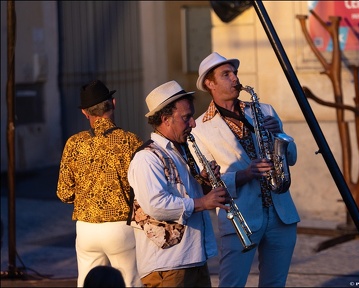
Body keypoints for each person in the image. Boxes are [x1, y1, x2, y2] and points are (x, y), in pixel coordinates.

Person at [191, 52, 300, 287]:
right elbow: (209, 181)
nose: (234, 78)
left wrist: (279, 134)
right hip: (241, 217)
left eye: (234, 73)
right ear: (210, 83)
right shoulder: (199, 129)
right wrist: (245, 174)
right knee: (232, 284)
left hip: (280, 213)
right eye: (226, 74)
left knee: (275, 284)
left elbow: (290, 158)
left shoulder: (265, 110)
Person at [127, 80, 229, 287]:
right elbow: (156, 205)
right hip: (168, 264)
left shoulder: (179, 152)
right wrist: (202, 202)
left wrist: (206, 182)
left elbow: (185, 193)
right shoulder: (147, 158)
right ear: (165, 119)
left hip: (193, 257)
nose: (193, 123)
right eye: (186, 118)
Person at [56, 79, 143, 287]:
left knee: (87, 283)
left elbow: (64, 193)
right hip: (121, 228)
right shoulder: (130, 141)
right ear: (113, 103)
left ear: (85, 113)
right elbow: (142, 187)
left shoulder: (74, 143)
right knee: (130, 282)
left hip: (86, 228)